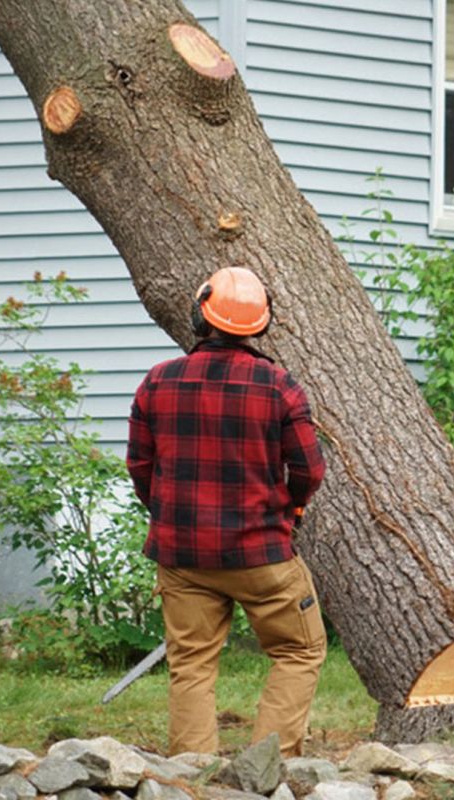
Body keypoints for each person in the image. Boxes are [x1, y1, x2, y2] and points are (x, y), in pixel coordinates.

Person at [126, 266, 327, 757]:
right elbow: (309, 470)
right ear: (261, 324)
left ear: (200, 317)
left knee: (191, 663)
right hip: (262, 553)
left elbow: (140, 466)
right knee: (299, 650)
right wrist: (291, 509)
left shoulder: (157, 382)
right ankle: (269, 766)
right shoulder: (279, 387)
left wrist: (172, 515)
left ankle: (189, 776)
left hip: (183, 555)